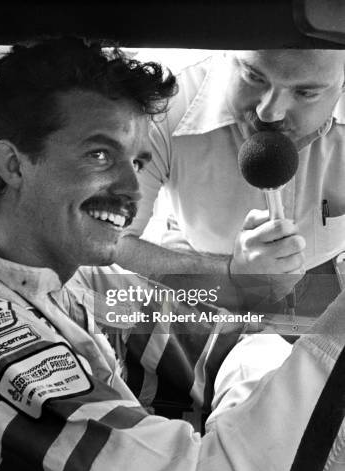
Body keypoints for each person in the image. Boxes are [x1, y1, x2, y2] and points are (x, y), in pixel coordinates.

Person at [0, 38, 345, 471]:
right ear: (12, 164)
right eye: (100, 155)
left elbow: (233, 345)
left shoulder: (76, 283)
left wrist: (244, 408)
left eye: (137, 162)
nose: (130, 189)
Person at [116, 50, 345, 313]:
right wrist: (231, 274)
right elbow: (111, 243)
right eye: (253, 76)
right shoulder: (163, 108)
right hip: (204, 279)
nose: (269, 113)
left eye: (306, 93)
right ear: (225, 53)